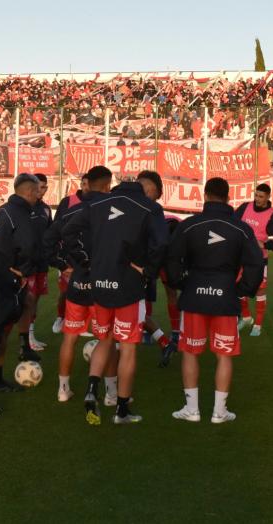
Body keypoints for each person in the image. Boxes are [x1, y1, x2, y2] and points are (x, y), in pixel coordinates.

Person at [62, 169, 169, 425]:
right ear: (145, 190)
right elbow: (163, 243)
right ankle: (121, 409)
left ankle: (91, 391)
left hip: (98, 282)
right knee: (128, 347)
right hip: (128, 285)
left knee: (105, 338)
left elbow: (68, 232)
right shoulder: (148, 208)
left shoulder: (97, 202)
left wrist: (83, 262)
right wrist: (149, 270)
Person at [164, 177, 264, 423]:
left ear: (206, 195)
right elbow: (256, 262)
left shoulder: (189, 225)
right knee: (224, 354)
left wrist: (181, 283)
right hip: (226, 297)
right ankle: (219, 412)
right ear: (228, 198)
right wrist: (242, 289)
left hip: (194, 296)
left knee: (190, 351)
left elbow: (171, 259)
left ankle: (192, 410)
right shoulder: (241, 228)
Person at [44, 167, 112, 402]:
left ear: (87, 184)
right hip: (103, 282)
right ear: (107, 186)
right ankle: (111, 393)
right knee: (106, 339)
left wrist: (63, 264)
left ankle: (63, 389)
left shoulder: (71, 211)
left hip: (78, 281)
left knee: (70, 337)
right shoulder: (112, 212)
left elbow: (48, 240)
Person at [0, 173, 40, 392]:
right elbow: (28, 248)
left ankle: (21, 343)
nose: (39, 195)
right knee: (1, 330)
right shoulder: (19, 214)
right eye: (37, 191)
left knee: (28, 301)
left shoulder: (4, 210)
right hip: (4, 278)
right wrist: (22, 271)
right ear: (30, 192)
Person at [235, 183, 273, 336]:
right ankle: (246, 317)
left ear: (267, 197)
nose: (257, 199)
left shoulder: (272, 216)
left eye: (261, 196)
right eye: (256, 195)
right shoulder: (245, 207)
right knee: (238, 287)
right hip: (241, 257)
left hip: (259, 260)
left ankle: (258, 324)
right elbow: (233, 223)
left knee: (260, 290)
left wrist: (266, 244)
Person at [135, 170, 178, 365]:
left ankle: (175, 334)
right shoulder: (134, 208)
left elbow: (161, 241)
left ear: (158, 193)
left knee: (170, 293)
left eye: (148, 190)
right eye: (141, 187)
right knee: (142, 301)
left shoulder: (156, 212)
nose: (144, 193)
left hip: (160, 260)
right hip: (145, 262)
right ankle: (155, 336)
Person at [49, 173, 89, 334]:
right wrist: (60, 255)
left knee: (87, 290)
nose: (86, 187)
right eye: (84, 183)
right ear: (81, 184)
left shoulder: (97, 203)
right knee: (66, 291)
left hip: (86, 257)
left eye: (89, 184)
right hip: (68, 255)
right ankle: (60, 317)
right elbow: (57, 228)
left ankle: (82, 323)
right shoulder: (68, 201)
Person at [20, 173, 53, 353]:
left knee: (36, 299)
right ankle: (26, 337)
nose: (42, 190)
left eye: (45, 187)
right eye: (40, 187)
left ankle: (31, 334)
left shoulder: (46, 209)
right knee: (28, 300)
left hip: (42, 262)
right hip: (27, 263)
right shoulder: (24, 209)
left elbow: (50, 234)